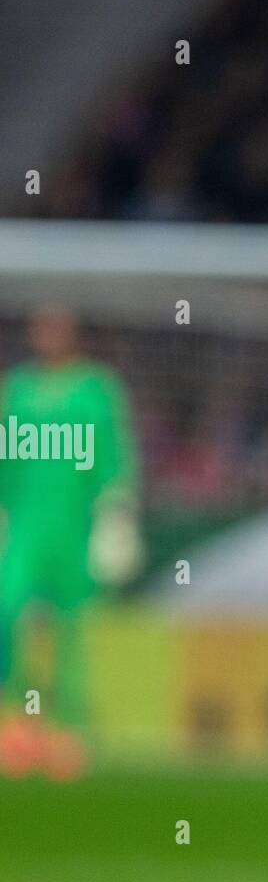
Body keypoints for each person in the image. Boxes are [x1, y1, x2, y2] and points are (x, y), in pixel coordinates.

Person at [0, 306, 141, 777]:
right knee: (7, 612)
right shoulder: (18, 388)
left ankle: (67, 732)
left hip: (75, 527)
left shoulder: (96, 389)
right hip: (23, 524)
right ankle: (18, 725)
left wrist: (116, 512)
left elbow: (114, 455)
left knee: (71, 629)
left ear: (73, 332)